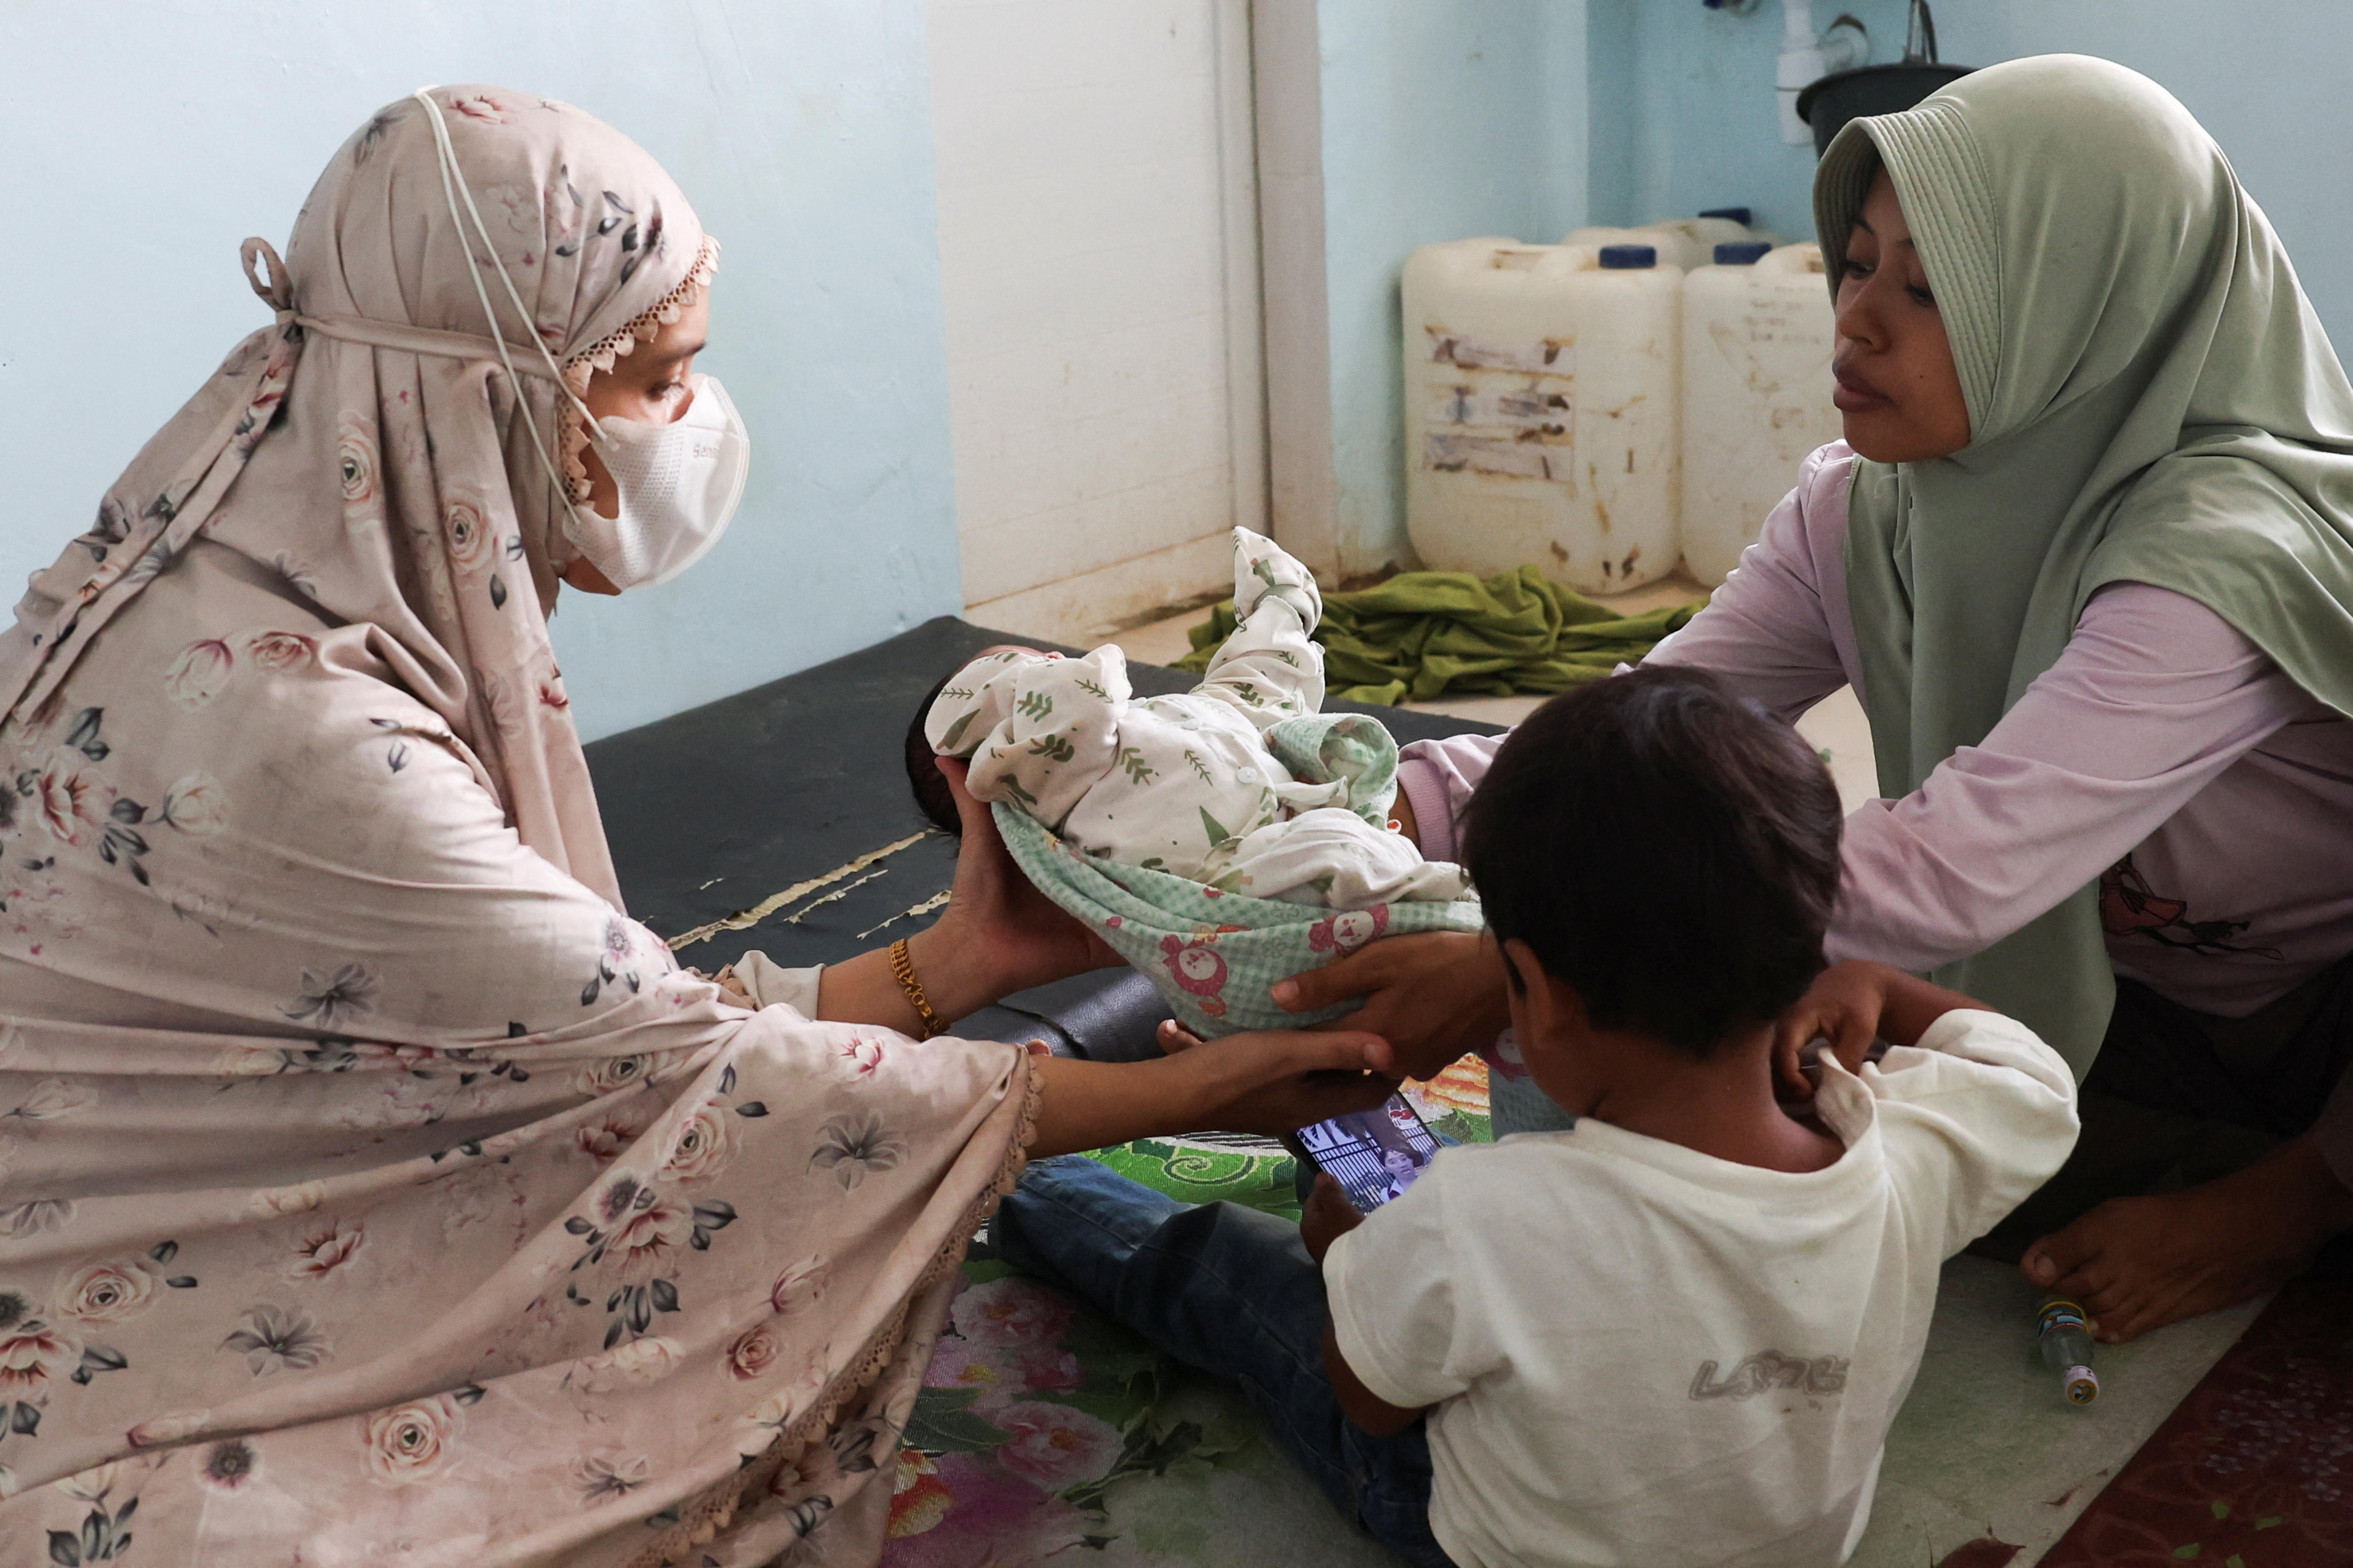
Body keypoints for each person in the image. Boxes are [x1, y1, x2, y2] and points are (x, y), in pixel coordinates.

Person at [0, 88, 1401, 1565]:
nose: (693, 424)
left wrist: (964, 962)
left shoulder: (220, 583)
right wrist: (1194, 1088)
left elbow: (581, 1051)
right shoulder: (321, 745)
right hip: (124, 1377)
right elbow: (686, 1088)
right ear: (500, 392)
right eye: (662, 379)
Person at [1271, 54, 2353, 1347]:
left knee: (1693, 1018)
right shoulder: (1866, 508)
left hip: (2321, 1010)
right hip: (2117, 986)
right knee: (1725, 1100)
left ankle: (2294, 1198)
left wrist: (1523, 958)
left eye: (1930, 290)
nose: (1857, 323)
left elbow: (1950, 868)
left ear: (2087, 310)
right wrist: (1342, 819)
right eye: (1855, 264)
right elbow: (1638, 737)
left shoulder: (2224, 551)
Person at [997, 668, 2079, 1568]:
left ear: (1537, 993)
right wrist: (1880, 984)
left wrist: (1339, 1237)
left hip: (1466, 1528)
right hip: (1789, 1544)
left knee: (1234, 1272)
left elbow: (1368, 1402)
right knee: (1421, 1228)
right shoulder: (1906, 1152)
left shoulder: (1483, 1215)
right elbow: (2028, 1077)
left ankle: (1006, 1173)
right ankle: (1333, 1125)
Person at [917, 528, 1465, 907]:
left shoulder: (1141, 723)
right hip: (1244, 859)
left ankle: (1283, 608)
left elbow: (1243, 695)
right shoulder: (1055, 771)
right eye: (1027, 667)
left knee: (1255, 694)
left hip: (1267, 773)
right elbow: (1074, 703)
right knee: (1334, 855)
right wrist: (1063, 675)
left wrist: (1278, 608)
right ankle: (1442, 900)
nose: (1054, 659)